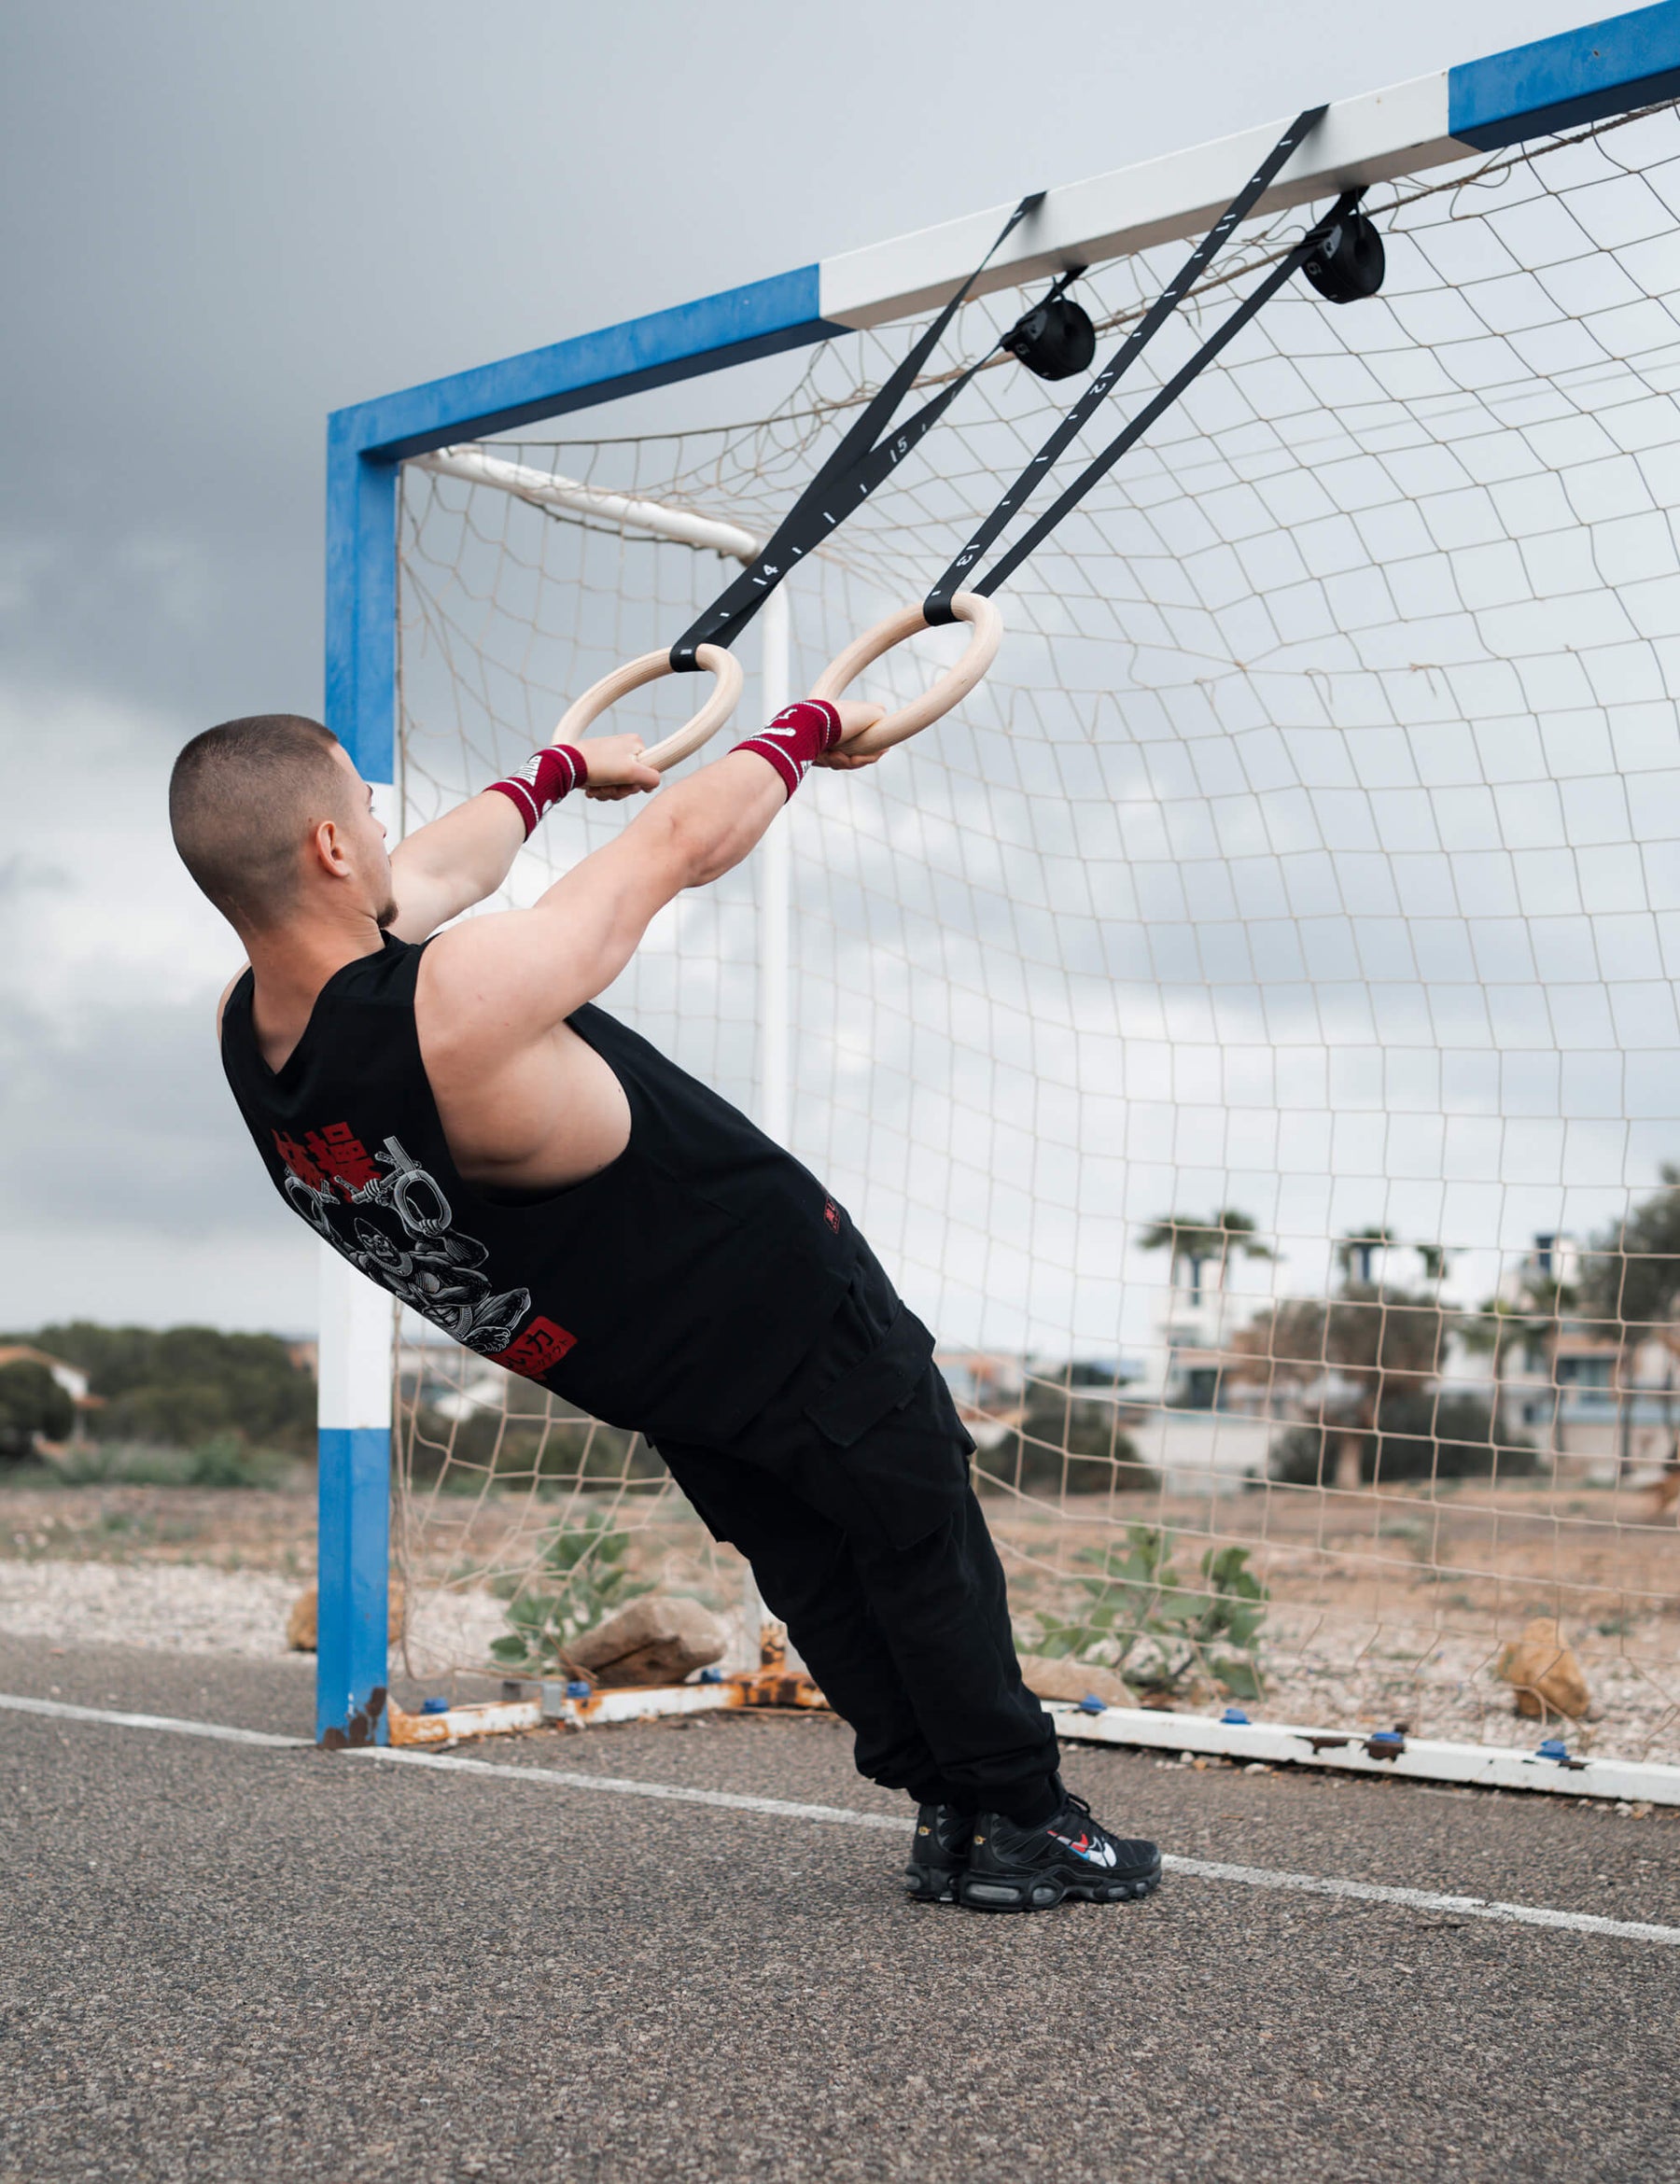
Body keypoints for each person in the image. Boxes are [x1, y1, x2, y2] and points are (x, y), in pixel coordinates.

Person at [169, 696, 1161, 1913]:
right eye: (366, 812)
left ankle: (946, 1807)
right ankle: (1023, 1818)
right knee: (918, 1543)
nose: (390, 833)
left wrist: (555, 772)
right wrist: (806, 730)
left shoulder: (248, 1025)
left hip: (658, 1367)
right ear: (328, 850)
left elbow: (432, 870)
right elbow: (678, 843)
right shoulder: (460, 1002)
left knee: (813, 1565)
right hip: (786, 1310)